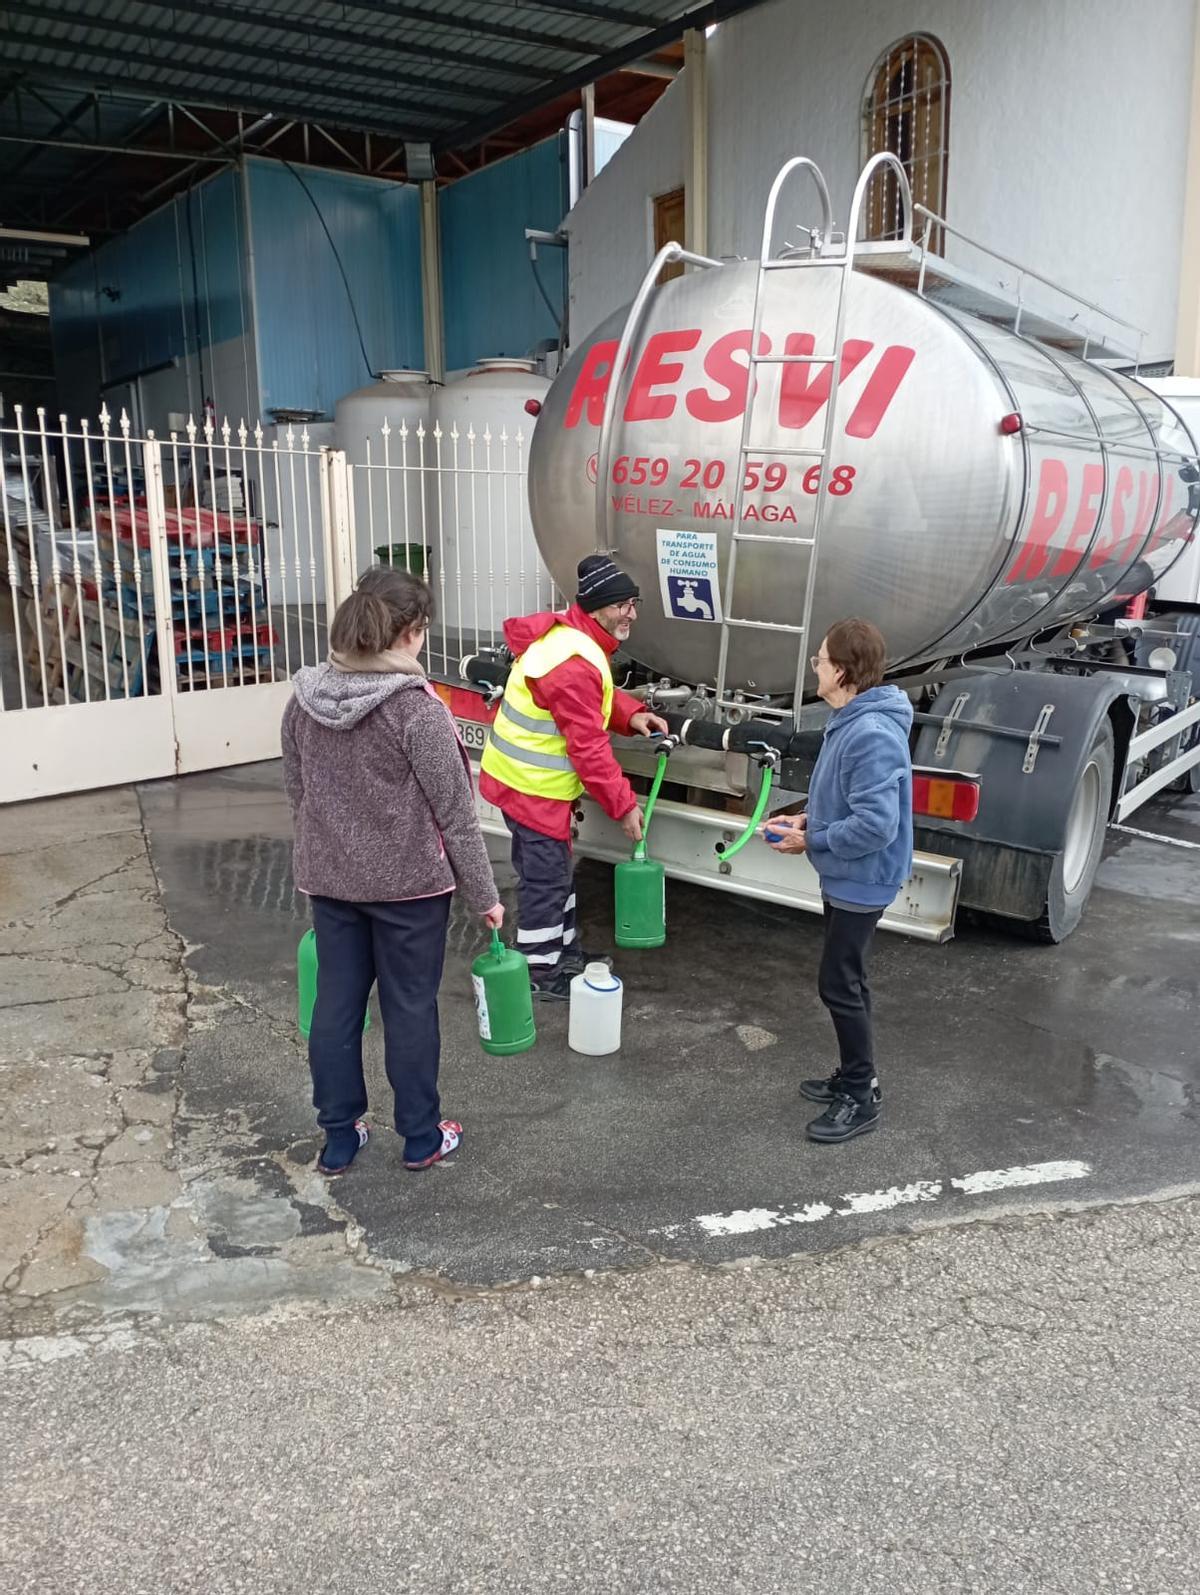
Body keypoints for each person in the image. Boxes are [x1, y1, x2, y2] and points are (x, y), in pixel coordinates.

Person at [281, 566, 503, 1177]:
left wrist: (330, 852)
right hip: (411, 889)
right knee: (409, 1007)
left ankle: (338, 1137)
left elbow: (298, 792)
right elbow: (456, 815)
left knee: (336, 1006)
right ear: (408, 632)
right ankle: (420, 1137)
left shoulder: (304, 699)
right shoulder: (416, 711)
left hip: (330, 884)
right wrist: (485, 896)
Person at [479, 554, 669, 1000]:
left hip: (528, 786)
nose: (632, 614)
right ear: (600, 606)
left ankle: (564, 954)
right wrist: (623, 807)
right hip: (532, 791)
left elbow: (593, 699)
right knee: (545, 882)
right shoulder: (574, 659)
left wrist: (632, 713)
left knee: (557, 875)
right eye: (624, 604)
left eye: (634, 603)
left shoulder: (574, 639)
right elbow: (587, 747)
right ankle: (541, 973)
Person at [767, 617, 913, 1145]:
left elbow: (877, 824)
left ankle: (861, 1094)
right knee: (848, 980)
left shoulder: (870, 733)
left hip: (863, 877)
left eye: (821, 661)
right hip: (847, 874)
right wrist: (808, 820)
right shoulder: (851, 718)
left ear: (844, 672)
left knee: (837, 983)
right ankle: (856, 1074)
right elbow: (847, 800)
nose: (816, 668)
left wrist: (813, 841)